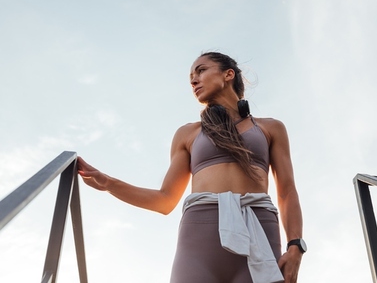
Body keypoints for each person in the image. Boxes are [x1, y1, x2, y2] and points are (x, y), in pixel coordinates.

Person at [77, 52, 305, 283]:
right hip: (199, 238)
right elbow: (165, 200)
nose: (194, 80)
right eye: (190, 78)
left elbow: (287, 191)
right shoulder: (188, 133)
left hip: (259, 233)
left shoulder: (270, 128)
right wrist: (108, 184)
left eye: (201, 70)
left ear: (228, 74)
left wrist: (296, 245)